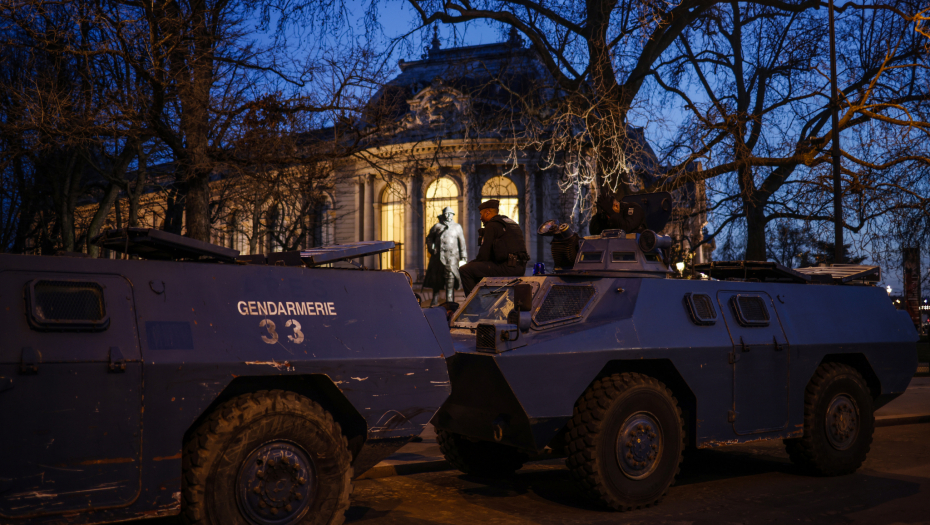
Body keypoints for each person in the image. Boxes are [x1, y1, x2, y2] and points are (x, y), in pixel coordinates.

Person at [459, 199, 530, 295]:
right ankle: (486, 297)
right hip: (519, 267)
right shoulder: (510, 223)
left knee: (465, 270)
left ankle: (476, 302)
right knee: (477, 268)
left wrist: (473, 263)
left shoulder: (492, 225)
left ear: (487, 212)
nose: (480, 218)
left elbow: (484, 255)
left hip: (506, 268)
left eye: (481, 214)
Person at [423, 206, 467, 306]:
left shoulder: (457, 227)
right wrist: (432, 248)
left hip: (452, 259)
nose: (448, 216)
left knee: (450, 281)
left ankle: (449, 302)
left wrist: (463, 257)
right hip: (438, 259)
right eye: (446, 214)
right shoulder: (437, 226)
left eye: (450, 214)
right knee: (437, 280)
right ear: (443, 215)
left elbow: (462, 243)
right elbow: (429, 238)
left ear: (453, 215)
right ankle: (434, 301)